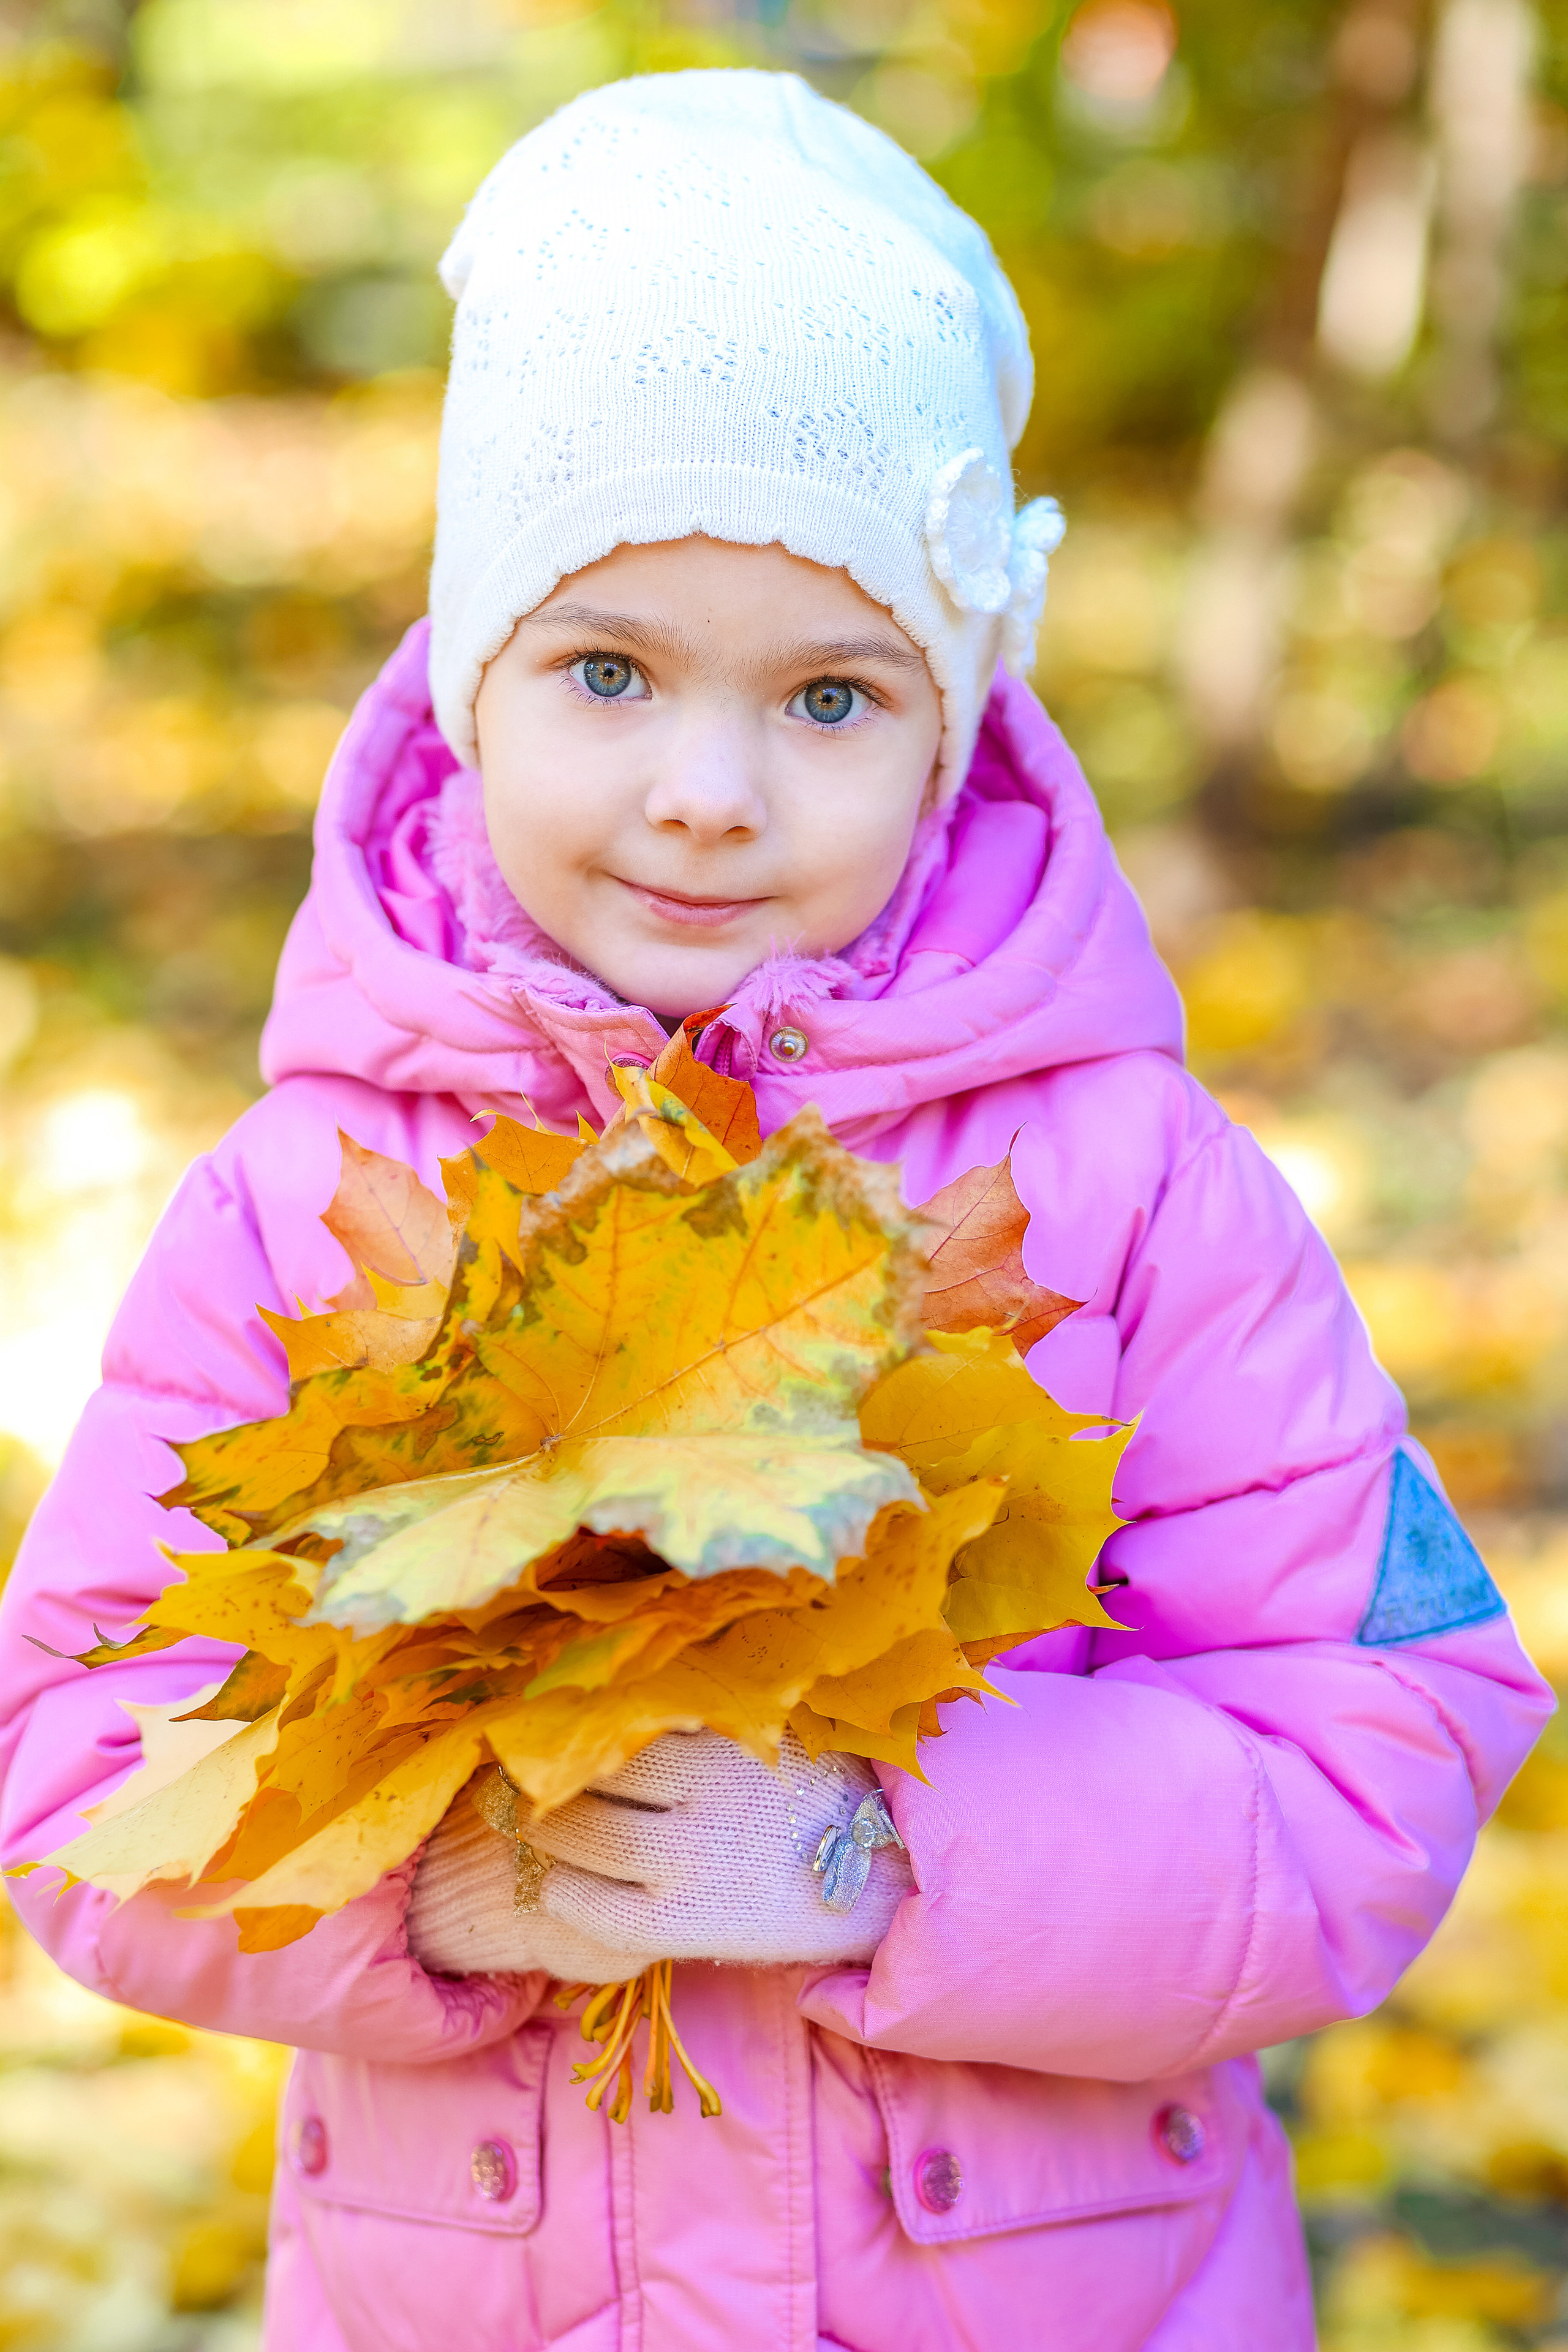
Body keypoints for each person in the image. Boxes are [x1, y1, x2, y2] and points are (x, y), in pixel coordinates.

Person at [0, 69, 1549, 2352]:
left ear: (952, 727)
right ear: (466, 673)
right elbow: (78, 1762)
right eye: (609, 671)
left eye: (829, 695)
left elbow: (1387, 1733)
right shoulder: (310, 1204)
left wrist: (887, 1852)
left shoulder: (1130, 1193)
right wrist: (432, 1876)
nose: (707, 794)